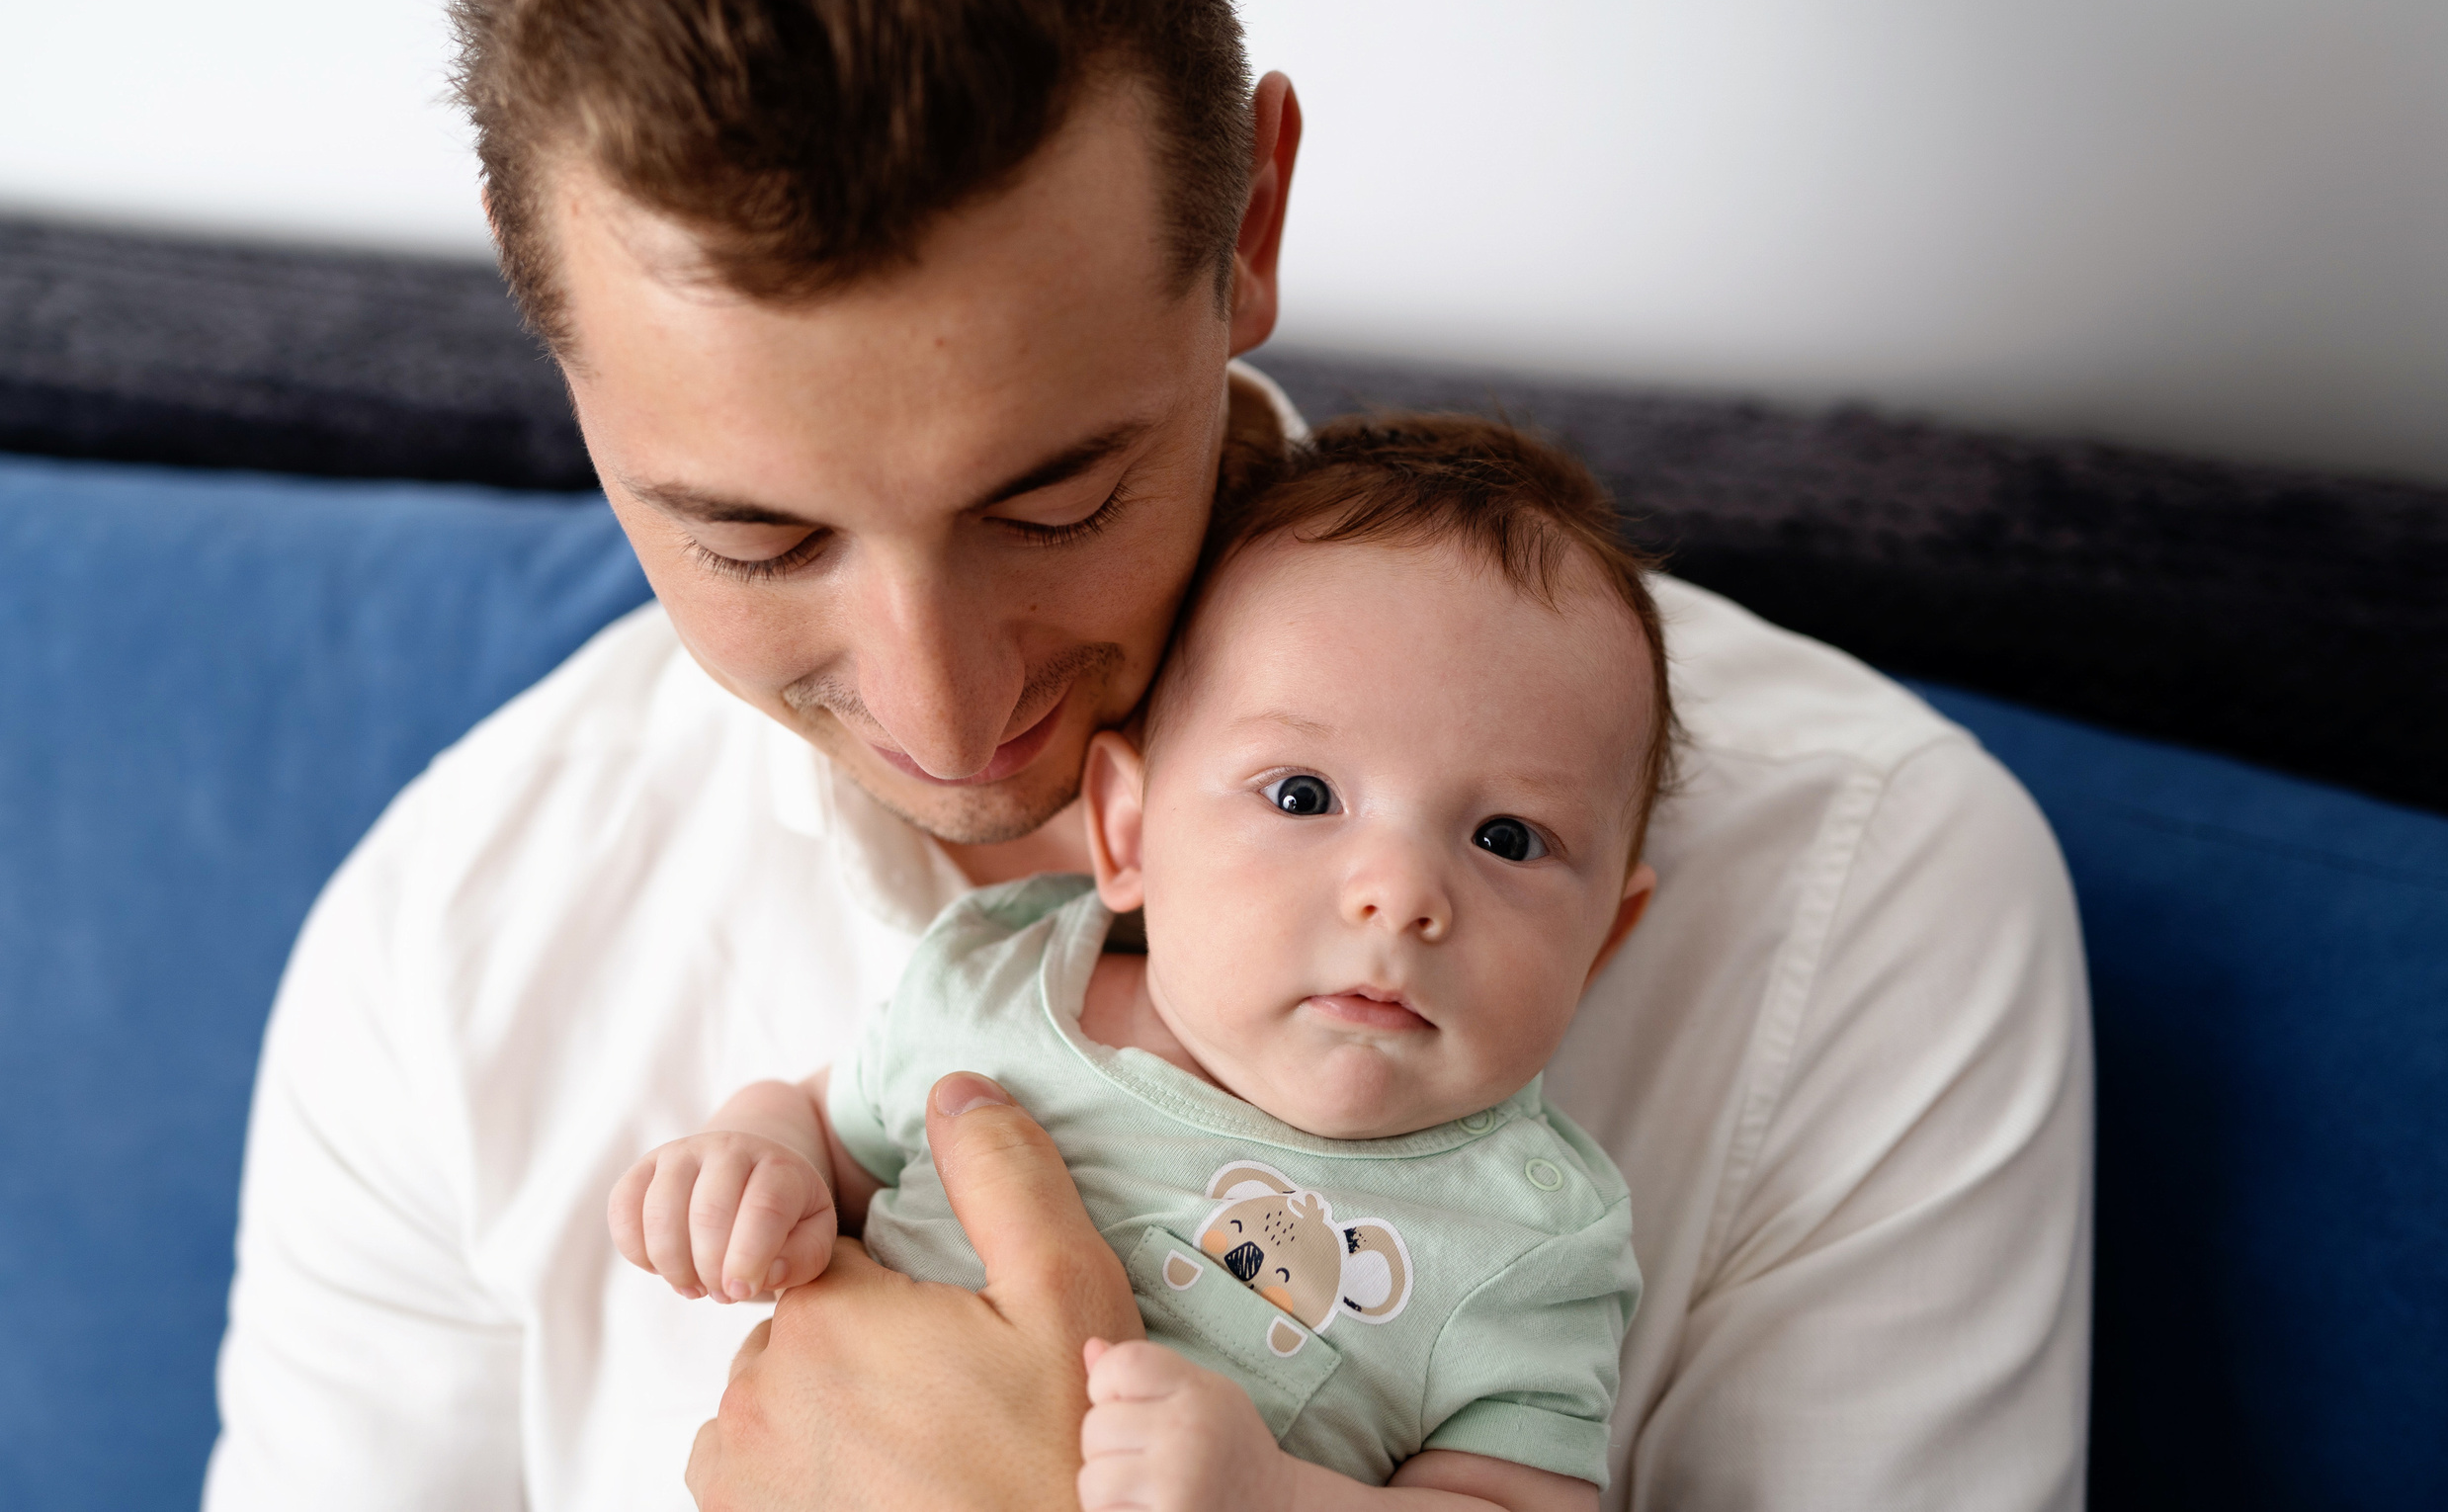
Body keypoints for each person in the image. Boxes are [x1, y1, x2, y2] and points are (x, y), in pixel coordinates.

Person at [206, 0, 2093, 1509]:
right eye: (758, 540)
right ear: (550, 331)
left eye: (1056, 496)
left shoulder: (1868, 902)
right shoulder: (443, 940)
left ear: (1249, 225)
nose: (948, 720)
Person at [613, 415, 1678, 1511]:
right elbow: (826, 1126)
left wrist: (1277, 1497)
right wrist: (749, 1157)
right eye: (1302, 796)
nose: (1400, 896)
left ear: (1602, 938)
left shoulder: (1527, 1241)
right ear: (1125, 834)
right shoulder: (994, 987)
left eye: (1506, 838)